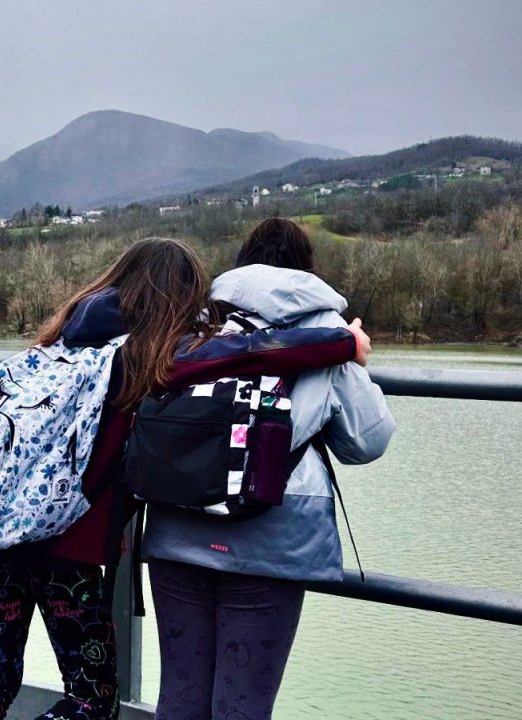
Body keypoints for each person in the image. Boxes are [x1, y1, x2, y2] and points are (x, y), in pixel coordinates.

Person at [0, 236, 371, 720]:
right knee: (92, 699)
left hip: (4, 534)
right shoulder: (141, 355)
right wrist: (345, 342)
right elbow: (247, 354)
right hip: (68, 550)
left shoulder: (63, 334)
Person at [143, 218, 396, 720]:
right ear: (306, 268)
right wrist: (353, 362)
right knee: (242, 706)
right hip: (271, 535)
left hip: (177, 522)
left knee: (180, 697)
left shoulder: (196, 320)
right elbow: (367, 442)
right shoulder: (327, 334)